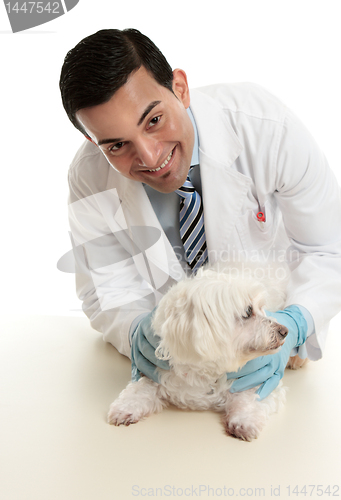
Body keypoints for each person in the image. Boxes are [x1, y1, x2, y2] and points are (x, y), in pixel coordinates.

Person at [59, 28, 341, 399]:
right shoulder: (89, 178)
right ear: (91, 140)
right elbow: (106, 291)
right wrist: (137, 332)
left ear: (180, 87)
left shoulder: (265, 126)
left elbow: (328, 248)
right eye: (116, 144)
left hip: (274, 346)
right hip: (182, 376)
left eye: (154, 120)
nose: (148, 156)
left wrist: (297, 323)